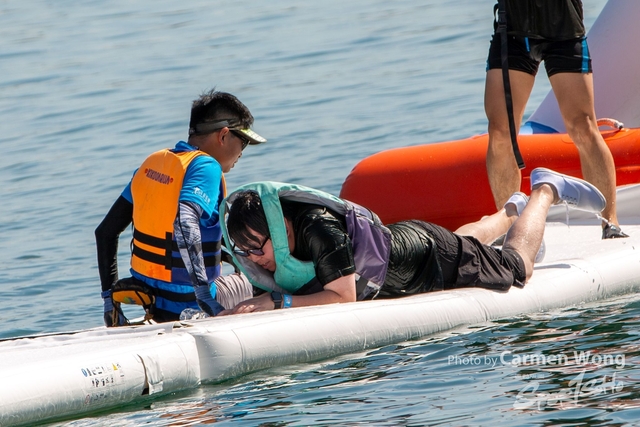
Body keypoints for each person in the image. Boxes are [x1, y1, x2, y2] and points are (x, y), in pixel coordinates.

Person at [218, 168, 605, 313]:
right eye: (243, 251)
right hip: (415, 243)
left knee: (518, 267)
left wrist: (277, 302)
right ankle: (510, 211)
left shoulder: (318, 228)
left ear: (280, 227)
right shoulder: (268, 248)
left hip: (430, 257)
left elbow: (343, 297)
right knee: (463, 241)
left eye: (257, 247)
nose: (254, 258)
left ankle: (544, 190)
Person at [95, 89, 262, 326]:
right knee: (266, 279)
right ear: (224, 135)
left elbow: (105, 232)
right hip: (195, 303)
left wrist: (108, 302)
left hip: (153, 302)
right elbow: (185, 222)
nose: (242, 153)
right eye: (243, 142)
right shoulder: (207, 167)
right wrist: (204, 296)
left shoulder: (152, 164)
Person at [484, 0, 627, 239]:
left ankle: (610, 223)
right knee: (500, 132)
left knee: (582, 126)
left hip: (563, 30)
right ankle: (510, 228)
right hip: (513, 33)